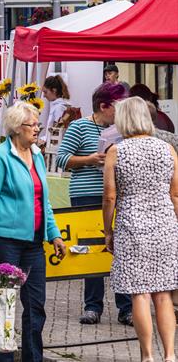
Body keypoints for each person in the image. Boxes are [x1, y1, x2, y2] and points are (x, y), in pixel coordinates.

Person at [0, 102, 67, 362]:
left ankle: (33, 357)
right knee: (3, 304)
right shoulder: (0, 158)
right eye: (33, 125)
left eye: (38, 125)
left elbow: (44, 202)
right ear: (17, 128)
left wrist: (54, 233)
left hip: (34, 243)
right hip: (7, 241)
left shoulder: (37, 155)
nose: (37, 129)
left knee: (36, 306)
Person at [103, 96, 178, 362]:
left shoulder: (116, 151)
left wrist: (108, 230)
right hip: (165, 226)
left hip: (132, 226)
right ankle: (170, 355)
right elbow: (175, 194)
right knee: (164, 294)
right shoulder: (167, 149)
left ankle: (147, 356)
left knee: (140, 294)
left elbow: (110, 196)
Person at [56, 82, 133, 325]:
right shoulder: (79, 126)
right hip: (87, 194)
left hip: (117, 194)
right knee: (91, 249)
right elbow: (62, 159)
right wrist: (90, 159)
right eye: (118, 107)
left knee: (121, 249)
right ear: (104, 106)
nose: (121, 112)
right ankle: (92, 306)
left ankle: (126, 307)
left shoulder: (124, 128)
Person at [41, 75, 72, 144]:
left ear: (54, 90)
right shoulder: (58, 106)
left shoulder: (60, 107)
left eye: (45, 92)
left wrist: (45, 141)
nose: (44, 95)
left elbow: (58, 132)